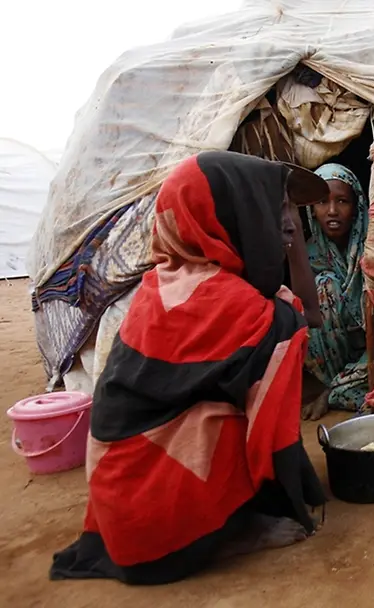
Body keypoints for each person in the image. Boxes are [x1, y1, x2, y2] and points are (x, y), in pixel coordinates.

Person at [50, 151, 328, 585]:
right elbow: (304, 317)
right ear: (229, 217)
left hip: (124, 502)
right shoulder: (228, 302)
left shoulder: (164, 282)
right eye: (272, 211)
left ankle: (225, 512)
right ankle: (231, 530)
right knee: (269, 363)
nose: (289, 224)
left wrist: (284, 231)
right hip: (157, 521)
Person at [300, 163, 371, 420]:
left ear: (357, 206)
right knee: (323, 286)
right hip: (336, 357)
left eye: (342, 201)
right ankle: (339, 385)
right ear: (311, 208)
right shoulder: (308, 254)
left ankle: (336, 391)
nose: (332, 211)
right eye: (322, 202)